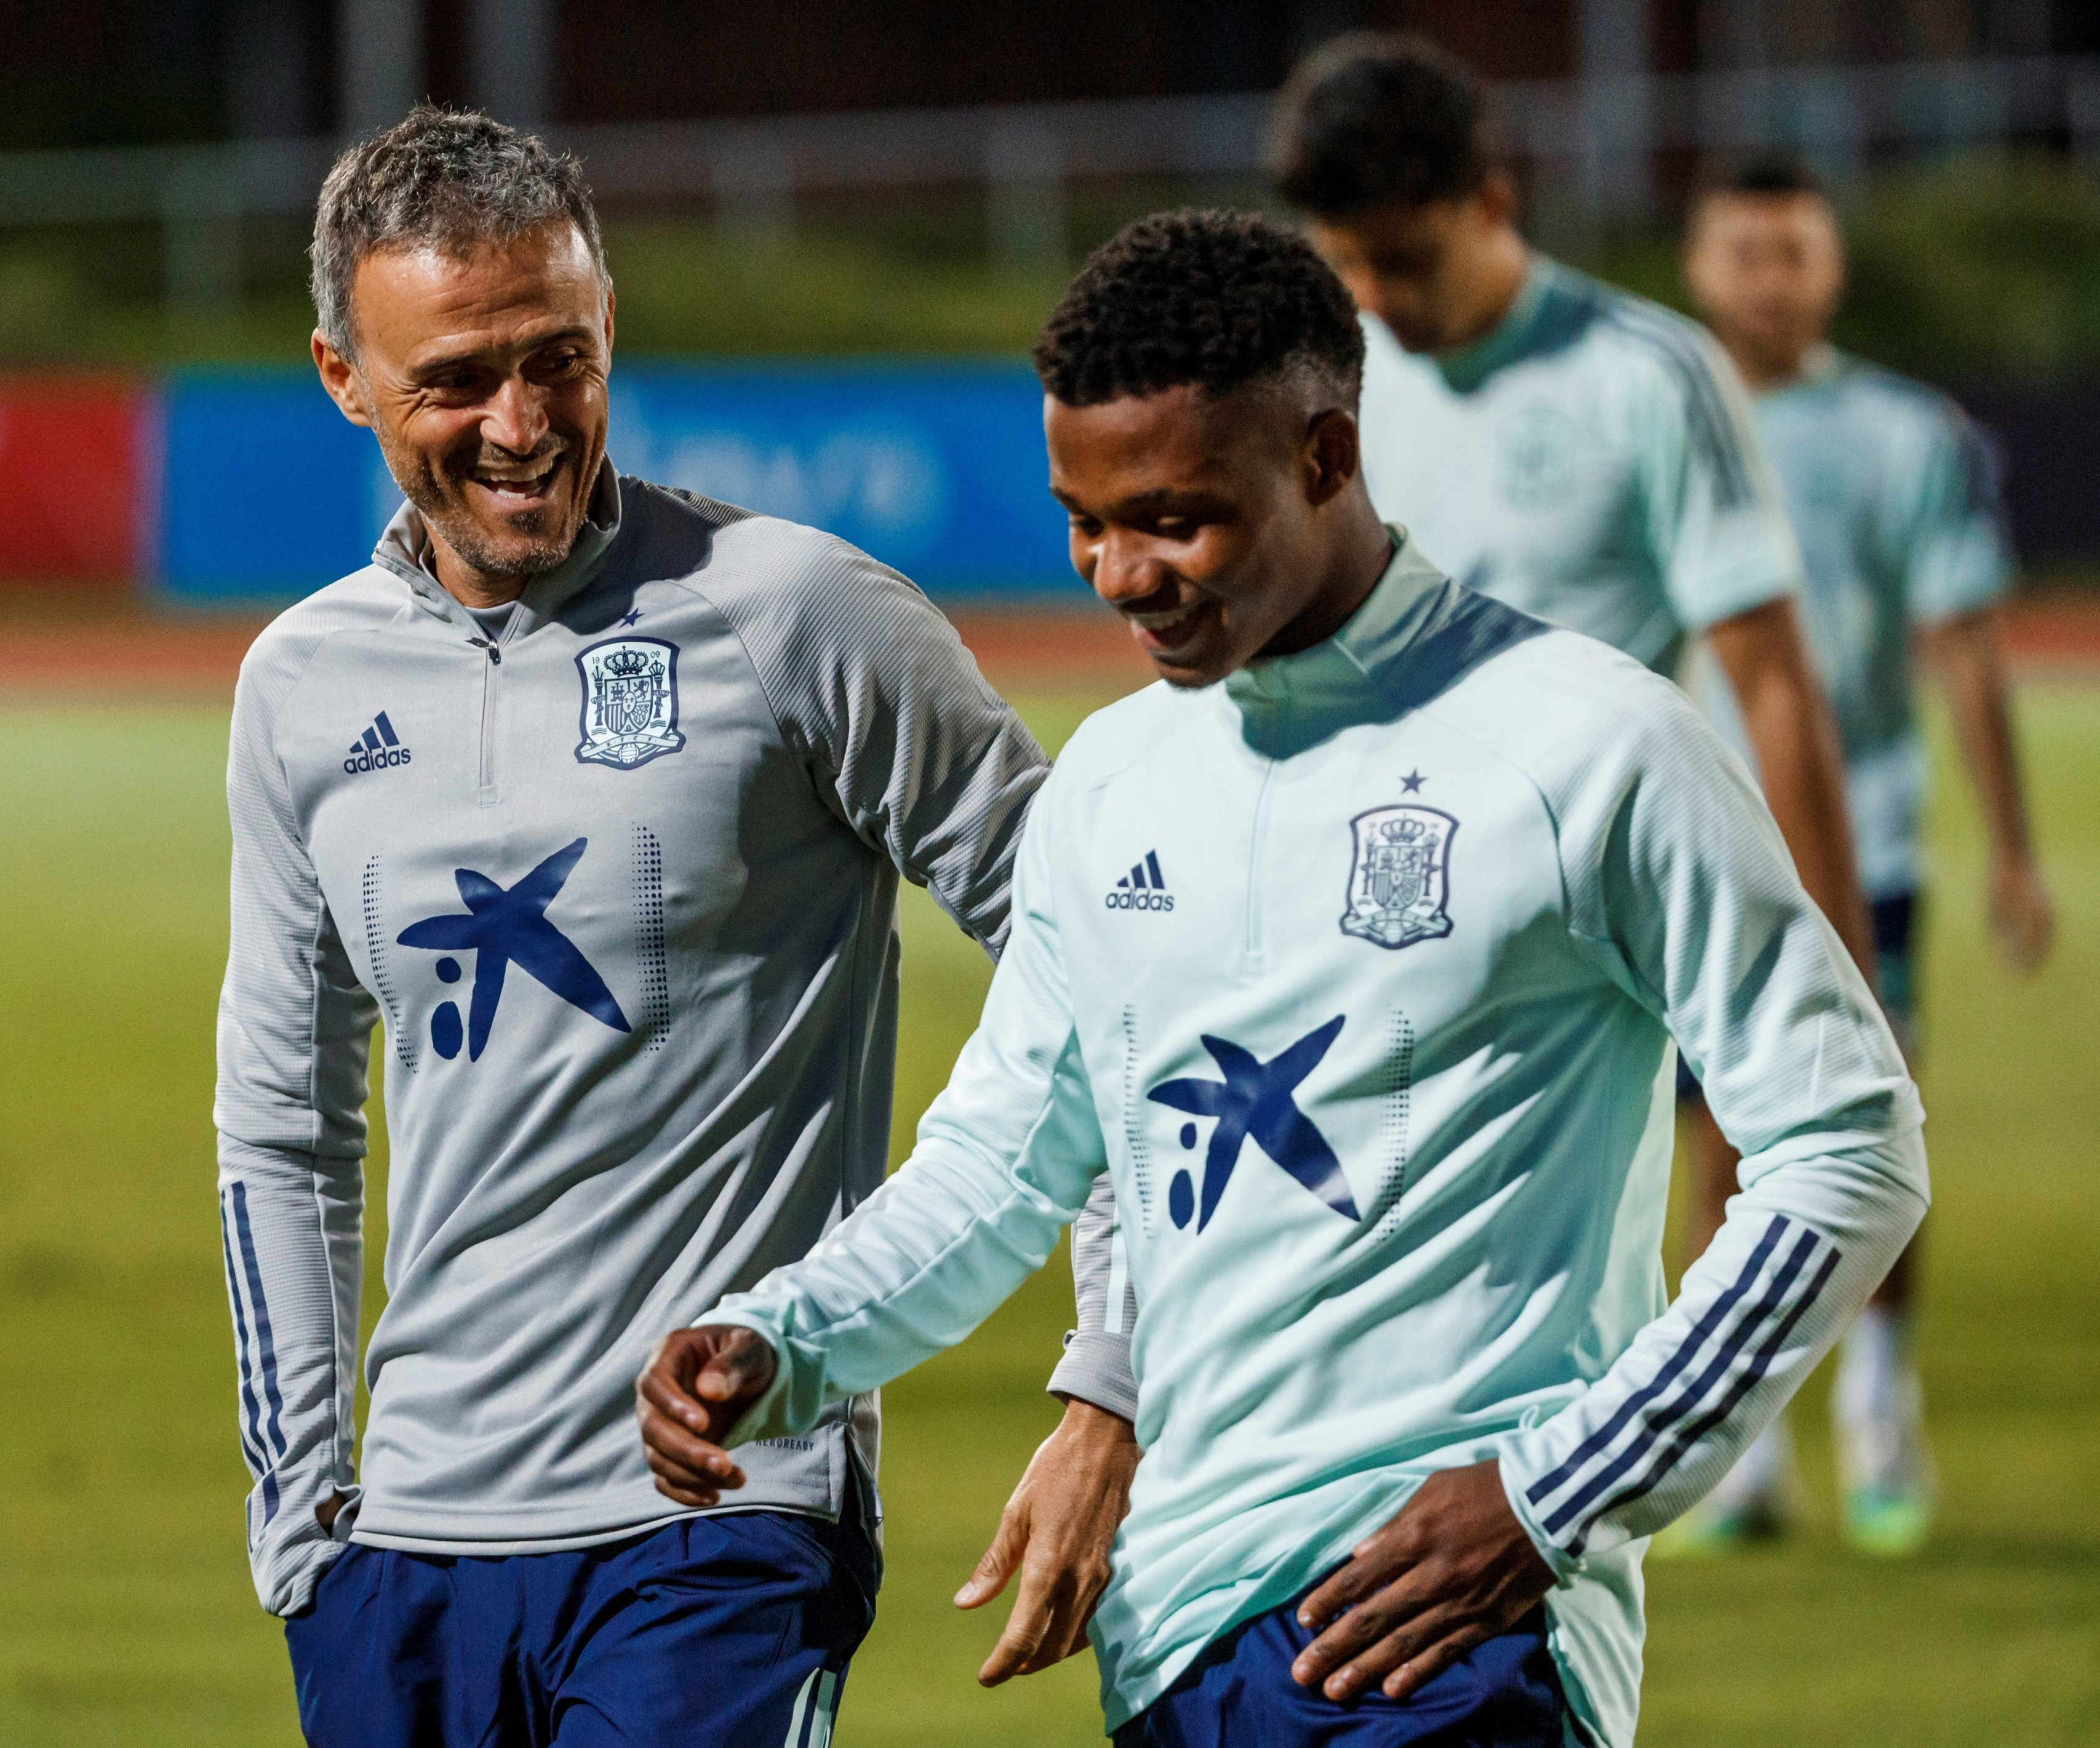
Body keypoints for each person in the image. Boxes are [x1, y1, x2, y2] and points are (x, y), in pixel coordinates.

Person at [638, 211, 1926, 1748]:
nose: (1120, 574)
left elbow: (1848, 1145)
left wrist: (1555, 1491)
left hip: (1453, 1641)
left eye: (1173, 519)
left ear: (1322, 457)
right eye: (1082, 519)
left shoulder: (1588, 743)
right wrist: (782, 1337)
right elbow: (998, 1165)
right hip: (1174, 1634)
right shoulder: (1110, 783)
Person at [214, 106, 1132, 1748]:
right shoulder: (299, 684)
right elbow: (282, 1128)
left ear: (609, 321)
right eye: (454, 380)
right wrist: (303, 1526)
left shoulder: (799, 615)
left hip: (719, 1514)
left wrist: (1112, 1368)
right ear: (344, 376)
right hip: (406, 1555)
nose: (519, 423)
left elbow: (1125, 976)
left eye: (557, 358)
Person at [1263, 34, 1877, 983]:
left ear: (1493, 204)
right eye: (1345, 261)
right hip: (1392, 920)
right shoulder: (1331, 380)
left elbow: (1776, 691)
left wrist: (1838, 987)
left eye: (1406, 260)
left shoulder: (1650, 376)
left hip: (1603, 929)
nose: (1375, 296)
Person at [1665, 154, 2054, 1555]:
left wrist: (2009, 849)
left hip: (1862, 842)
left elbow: (1962, 642)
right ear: (1697, 265)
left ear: (1827, 269)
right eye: (1740, 250)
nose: (1766, 277)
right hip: (1687, 848)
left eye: (1792, 252)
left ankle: (1879, 1418)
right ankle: (1746, 1447)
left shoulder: (1902, 431)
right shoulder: (1659, 421)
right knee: (1710, 1148)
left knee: (1868, 1122)